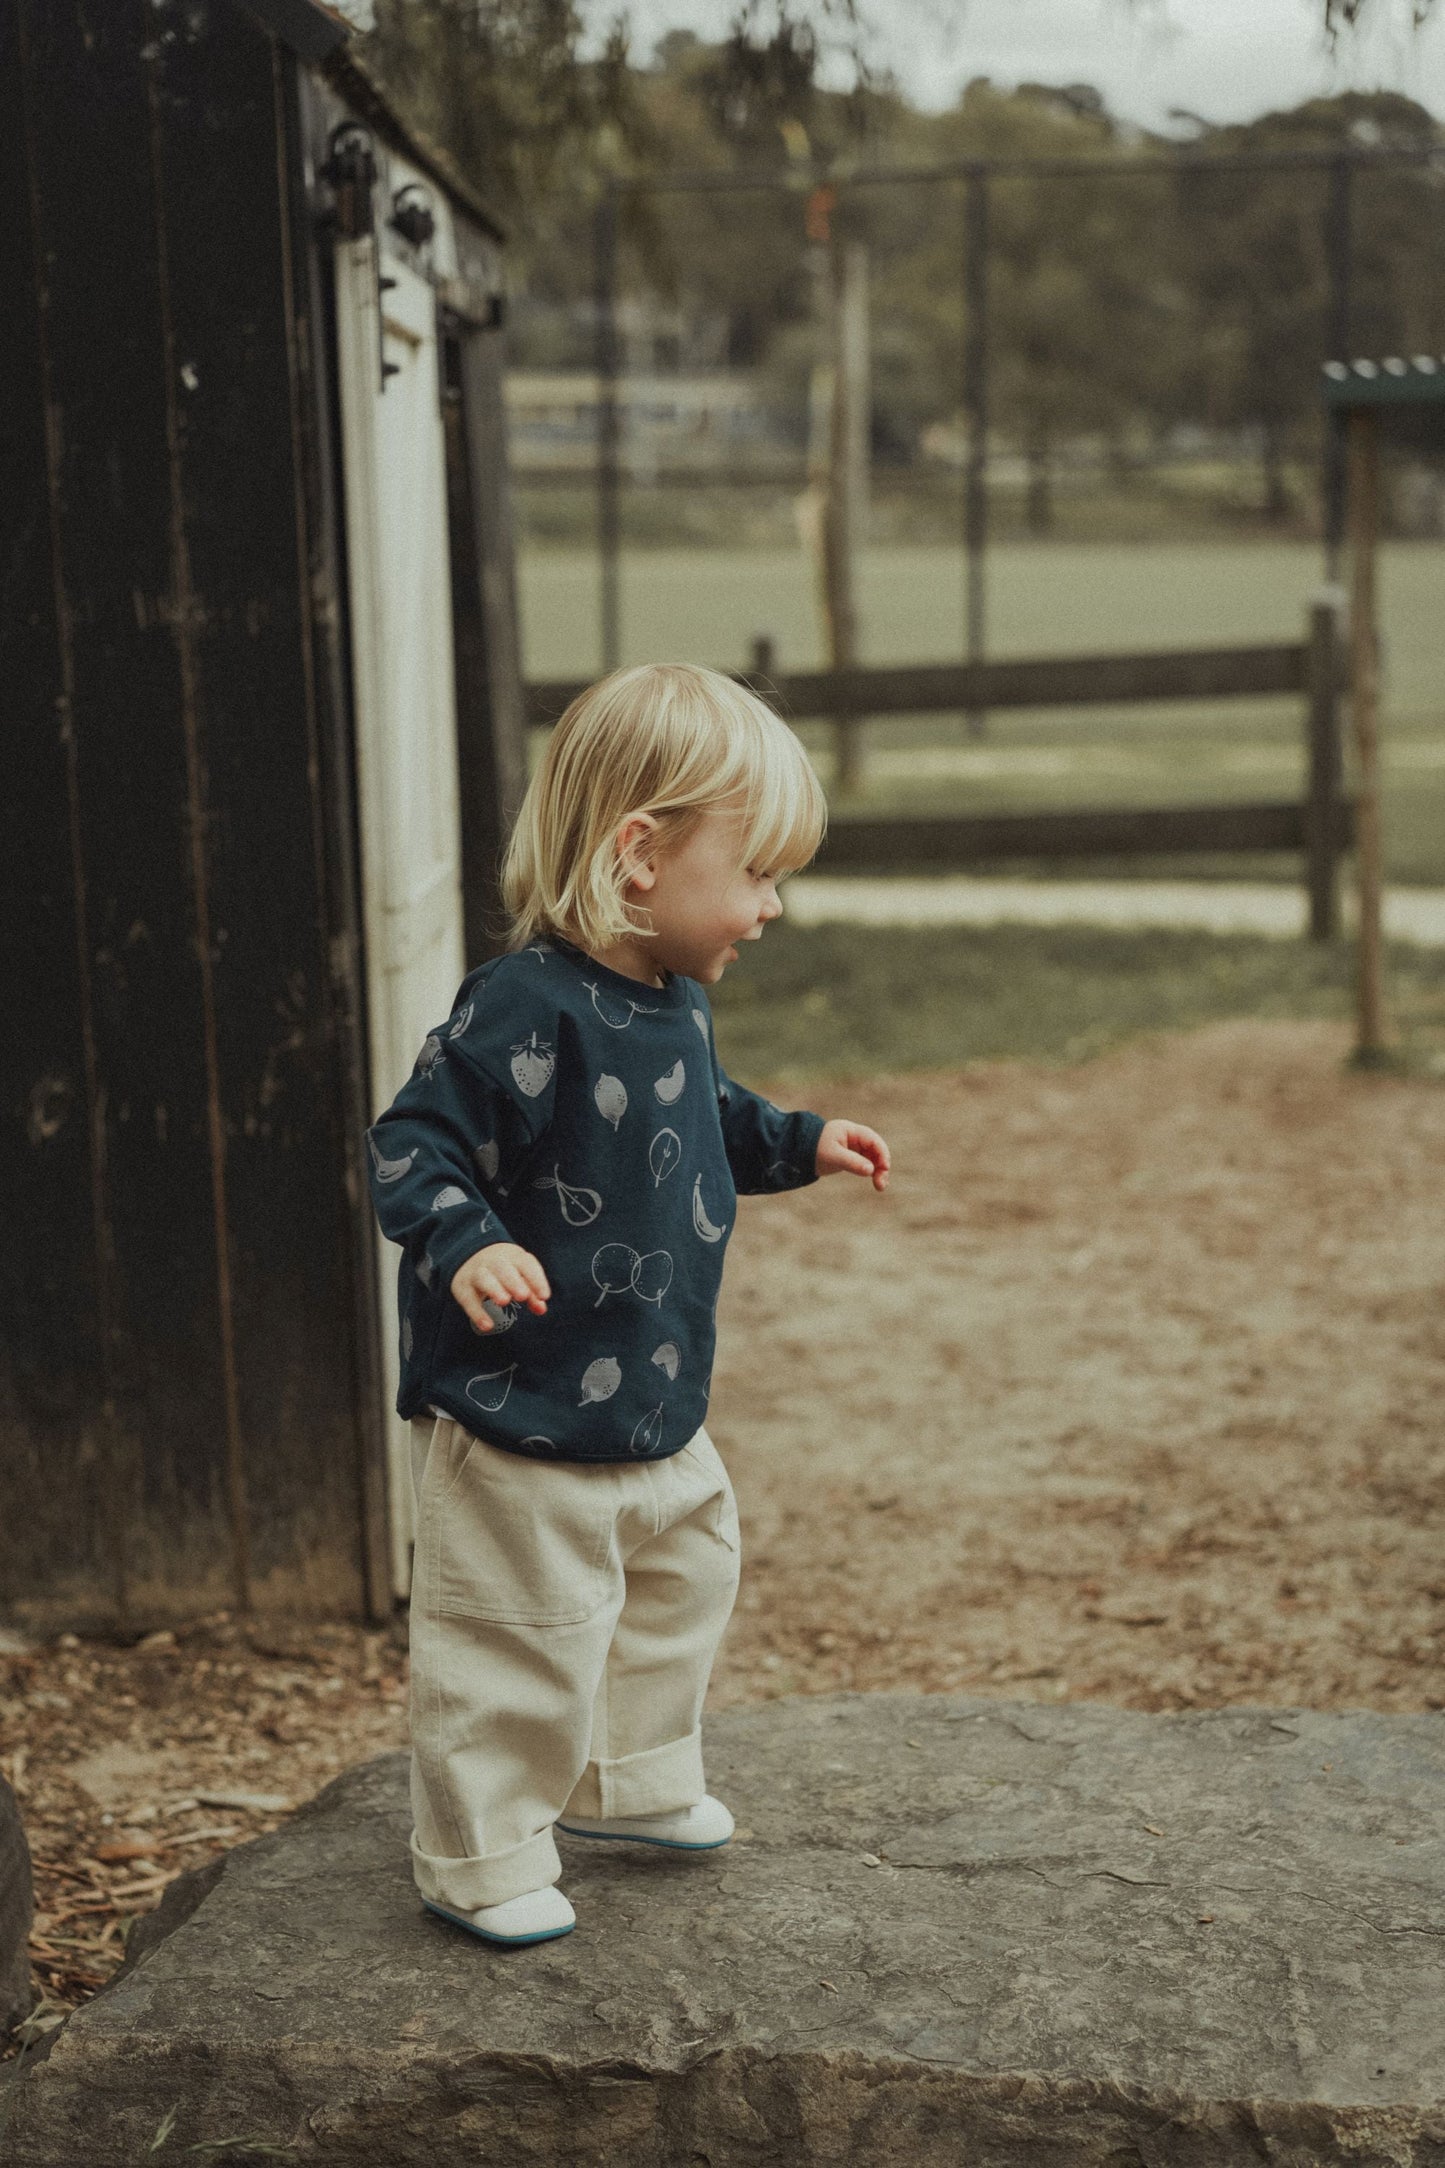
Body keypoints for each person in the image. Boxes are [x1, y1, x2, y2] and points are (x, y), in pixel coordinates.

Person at [366, 663, 890, 1948]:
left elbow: (703, 1125)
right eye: (757, 870)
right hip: (518, 1405)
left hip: (652, 1397)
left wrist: (801, 1138)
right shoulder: (520, 1005)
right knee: (516, 1632)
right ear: (639, 855)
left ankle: (627, 1776)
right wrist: (466, 1242)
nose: (770, 907)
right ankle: (477, 1849)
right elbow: (409, 1145)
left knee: (685, 1572)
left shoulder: (675, 1007)